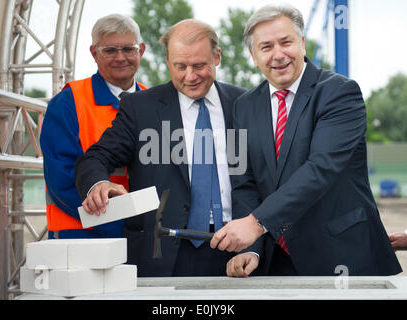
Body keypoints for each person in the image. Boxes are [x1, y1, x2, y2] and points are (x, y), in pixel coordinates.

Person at [210, 4, 402, 277]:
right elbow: (244, 182)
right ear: (253, 56)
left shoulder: (340, 93)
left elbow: (320, 168)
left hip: (343, 255)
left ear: (301, 43)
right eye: (266, 47)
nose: (278, 54)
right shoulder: (243, 107)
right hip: (277, 262)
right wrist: (251, 247)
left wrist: (256, 223)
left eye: (286, 42)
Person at [74, 19, 246, 276]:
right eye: (180, 66)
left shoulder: (245, 103)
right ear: (167, 61)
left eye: (199, 65)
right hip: (163, 251)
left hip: (237, 250)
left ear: (217, 57)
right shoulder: (140, 108)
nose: (190, 76)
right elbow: (96, 158)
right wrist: (98, 183)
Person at [40, 14, 146, 239]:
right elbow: (63, 178)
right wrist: (124, 227)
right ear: (93, 53)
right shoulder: (68, 102)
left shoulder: (152, 102)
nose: (120, 57)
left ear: (141, 51)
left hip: (142, 238)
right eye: (109, 50)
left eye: (128, 49)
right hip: (81, 238)